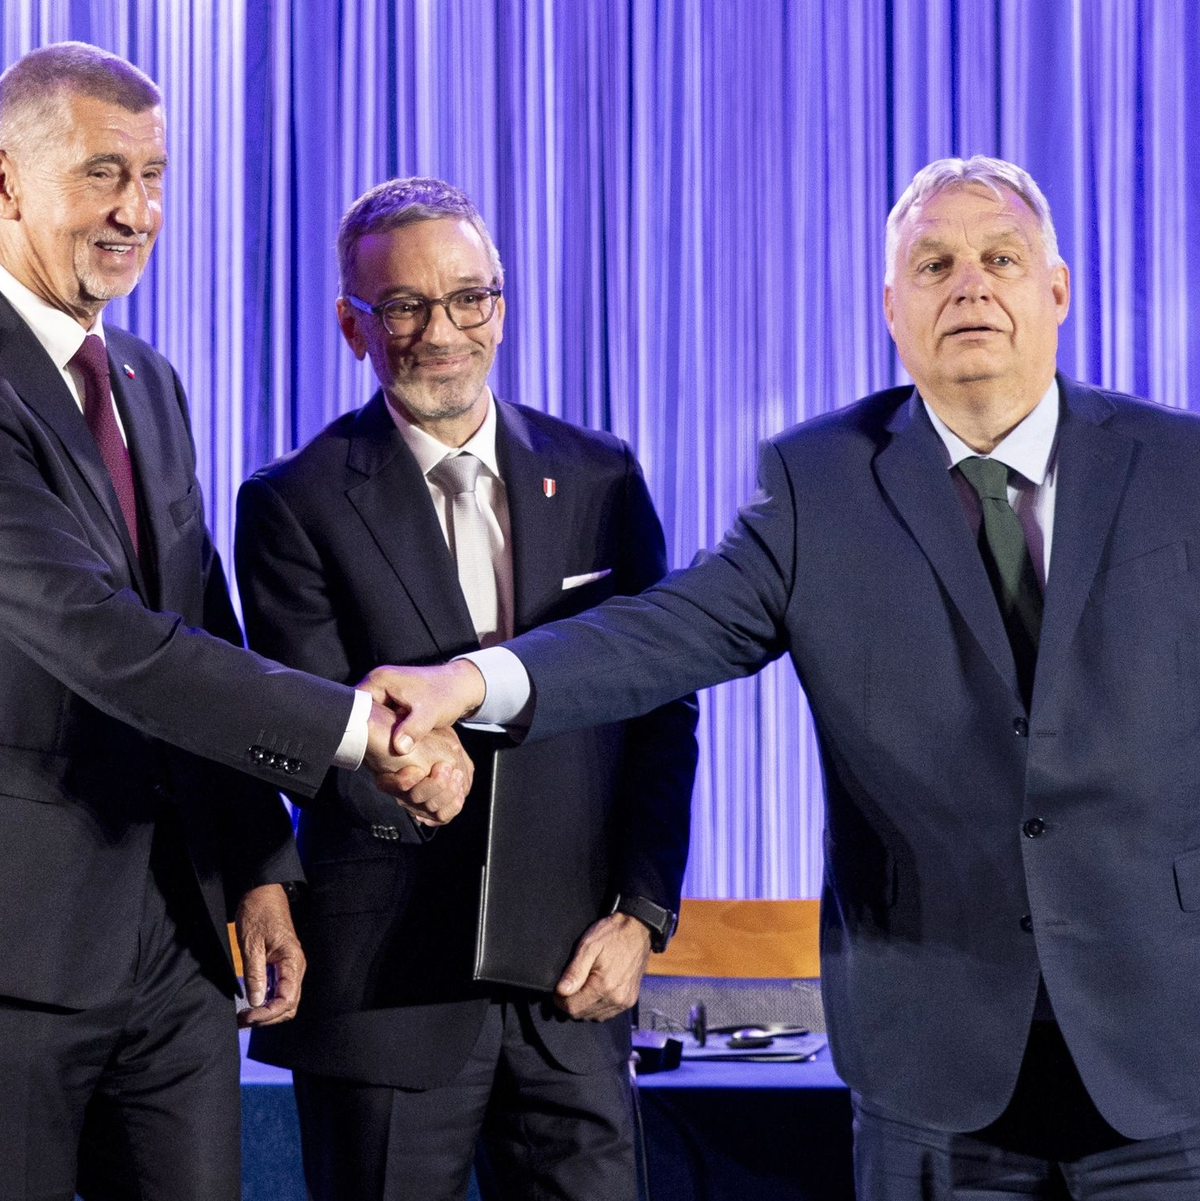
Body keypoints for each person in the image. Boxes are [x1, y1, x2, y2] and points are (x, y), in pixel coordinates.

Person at [386, 156, 1200, 1199]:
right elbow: (661, 631)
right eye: (934, 263)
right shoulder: (820, 483)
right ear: (889, 308)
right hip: (933, 1062)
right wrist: (469, 683)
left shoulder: (1177, 470)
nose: (971, 285)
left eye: (1001, 258)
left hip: (1164, 1048)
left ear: (1058, 290)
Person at [0, 42, 464, 1200]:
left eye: (154, 177)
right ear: (6, 180)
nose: (138, 211)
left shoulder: (148, 382)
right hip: (18, 954)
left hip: (178, 947)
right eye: (104, 174)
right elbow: (108, 641)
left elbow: (196, 622)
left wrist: (258, 863)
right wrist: (364, 731)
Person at [234, 176, 698, 1201]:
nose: (441, 330)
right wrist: (399, 768)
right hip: (389, 989)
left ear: (503, 303)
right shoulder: (291, 502)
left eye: (468, 298)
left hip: (577, 976)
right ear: (352, 324)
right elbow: (305, 723)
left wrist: (641, 912)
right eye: (402, 305)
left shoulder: (603, 477)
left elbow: (663, 706)